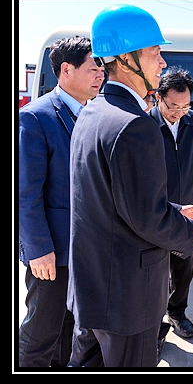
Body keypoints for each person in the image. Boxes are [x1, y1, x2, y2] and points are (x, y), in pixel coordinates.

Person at [67, 4, 193, 368]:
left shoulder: (93, 111)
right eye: (155, 53)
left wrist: (177, 212)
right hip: (127, 300)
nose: (163, 62)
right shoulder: (134, 124)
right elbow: (147, 218)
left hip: (93, 291)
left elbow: (115, 202)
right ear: (126, 59)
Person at [18, 36, 105, 368]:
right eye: (93, 68)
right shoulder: (35, 117)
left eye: (101, 69)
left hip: (86, 249)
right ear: (66, 70)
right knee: (41, 333)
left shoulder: (93, 113)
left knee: (71, 332)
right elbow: (25, 193)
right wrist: (38, 249)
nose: (100, 75)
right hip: (51, 252)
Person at [148, 67, 193, 354]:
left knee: (183, 268)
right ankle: (154, 326)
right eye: (173, 106)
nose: (179, 112)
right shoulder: (144, 124)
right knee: (154, 273)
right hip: (157, 210)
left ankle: (177, 313)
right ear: (158, 98)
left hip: (188, 209)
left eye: (185, 106)